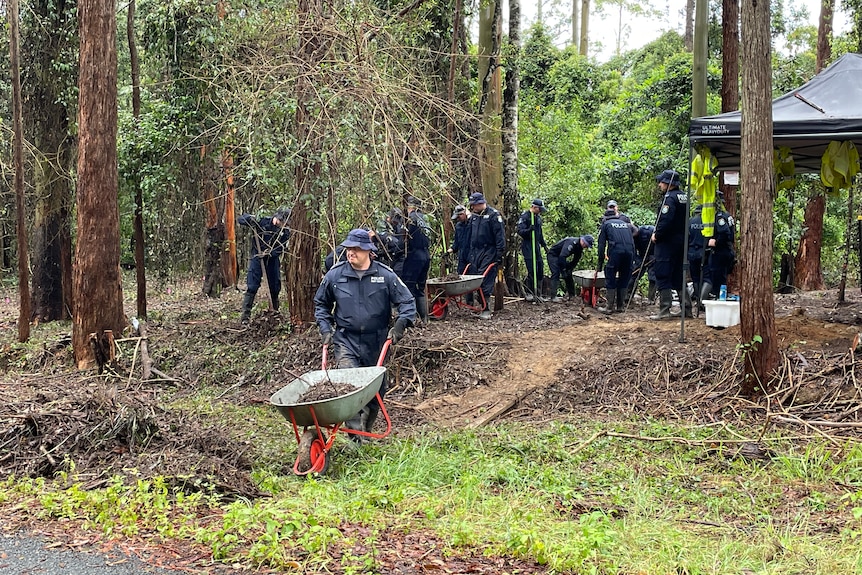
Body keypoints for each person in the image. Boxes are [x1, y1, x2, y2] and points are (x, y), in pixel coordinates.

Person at [313, 229, 416, 438]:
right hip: (345, 340)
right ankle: (355, 437)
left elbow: (407, 301)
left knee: (375, 390)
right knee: (349, 386)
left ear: (368, 251)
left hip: (376, 340)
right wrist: (325, 328)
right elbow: (321, 304)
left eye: (356, 249)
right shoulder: (335, 275)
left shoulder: (385, 275)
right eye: (349, 249)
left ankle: (366, 428)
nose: (351, 253)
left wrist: (400, 325)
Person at [237, 208, 291, 325]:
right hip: (257, 257)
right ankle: (245, 316)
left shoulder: (285, 232)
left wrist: (270, 253)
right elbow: (240, 219)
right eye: (283, 222)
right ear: (278, 218)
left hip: (272, 260)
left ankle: (275, 312)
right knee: (252, 286)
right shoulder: (262, 221)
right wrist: (250, 219)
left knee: (275, 287)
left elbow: (281, 248)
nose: (283, 225)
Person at [650, 169, 690, 320]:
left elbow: (665, 220)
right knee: (679, 274)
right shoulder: (684, 196)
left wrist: (657, 235)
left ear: (668, 183)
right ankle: (686, 308)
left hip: (667, 242)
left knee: (662, 272)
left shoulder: (670, 199)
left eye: (662, 182)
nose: (659, 184)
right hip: (681, 242)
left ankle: (664, 309)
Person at [467, 192, 506, 319]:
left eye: (474, 205)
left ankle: (486, 308)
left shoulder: (493, 215)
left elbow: (500, 237)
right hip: (475, 252)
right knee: (475, 277)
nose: (473, 208)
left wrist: (499, 254)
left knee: (485, 278)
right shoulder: (474, 217)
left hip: (489, 251)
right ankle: (481, 305)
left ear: (480, 203)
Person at [596, 208, 637, 314]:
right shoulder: (625, 224)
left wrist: (600, 264)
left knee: (610, 276)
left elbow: (601, 246)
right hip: (629, 253)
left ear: (605, 218)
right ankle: (620, 306)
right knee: (624, 277)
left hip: (616, 252)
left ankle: (609, 308)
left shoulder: (606, 225)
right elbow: (632, 242)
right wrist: (633, 259)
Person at [700, 192, 736, 302]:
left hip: (721, 251)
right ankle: (719, 299)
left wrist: (716, 241)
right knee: (721, 278)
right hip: (727, 250)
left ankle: (719, 300)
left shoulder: (720, 216)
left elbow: (725, 232)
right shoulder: (727, 215)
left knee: (717, 278)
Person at [401, 196, 433, 324]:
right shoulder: (425, 218)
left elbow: (405, 239)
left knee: (408, 286)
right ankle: (425, 318)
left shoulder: (411, 219)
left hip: (415, 255)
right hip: (426, 254)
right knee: (420, 287)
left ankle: (411, 318)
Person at [517, 199, 549, 301]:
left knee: (540, 268)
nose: (540, 212)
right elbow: (520, 231)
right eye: (539, 209)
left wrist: (544, 245)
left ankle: (538, 293)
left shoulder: (538, 218)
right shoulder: (525, 217)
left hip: (536, 246)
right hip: (528, 245)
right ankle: (530, 293)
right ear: (534, 207)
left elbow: (540, 233)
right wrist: (529, 230)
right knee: (532, 269)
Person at [547, 235, 594, 302]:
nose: (586, 247)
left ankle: (572, 295)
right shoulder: (571, 242)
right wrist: (563, 271)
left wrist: (570, 269)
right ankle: (553, 296)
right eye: (586, 245)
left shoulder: (579, 247)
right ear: (583, 242)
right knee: (556, 273)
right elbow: (562, 257)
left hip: (561, 257)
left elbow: (575, 260)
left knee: (568, 274)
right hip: (553, 255)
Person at [629, 224, 656, 302]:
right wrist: (637, 260)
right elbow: (633, 251)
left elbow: (660, 244)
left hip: (653, 254)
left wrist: (656, 256)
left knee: (652, 276)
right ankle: (628, 296)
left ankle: (651, 298)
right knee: (634, 274)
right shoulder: (631, 237)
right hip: (641, 255)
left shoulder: (651, 231)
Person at [687, 205, 706, 308]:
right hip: (703, 251)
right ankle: (702, 300)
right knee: (704, 276)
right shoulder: (707, 221)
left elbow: (687, 237)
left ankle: (697, 297)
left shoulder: (690, 221)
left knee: (695, 277)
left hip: (691, 251)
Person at [447, 204, 471, 274]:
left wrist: (469, 216)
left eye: (459, 216)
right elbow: (456, 243)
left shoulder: (472, 223)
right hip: (462, 257)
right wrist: (449, 251)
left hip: (472, 256)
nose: (458, 219)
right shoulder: (458, 226)